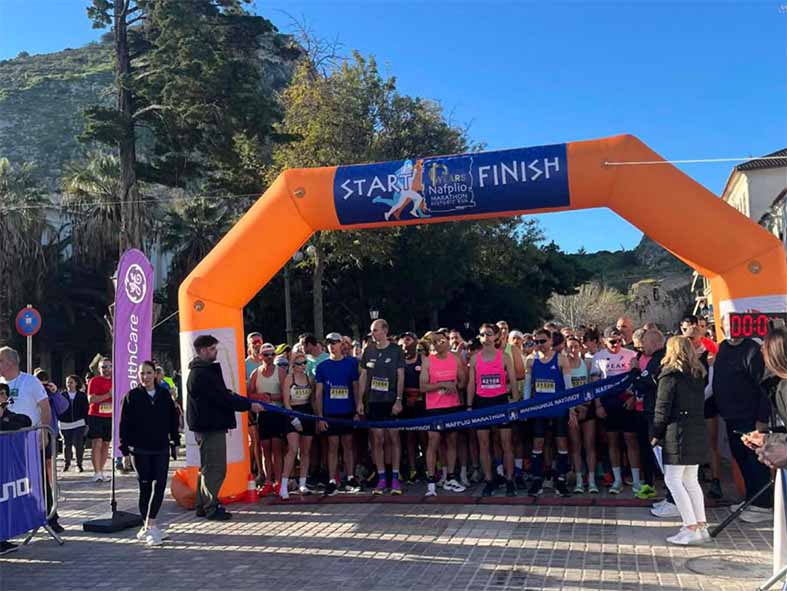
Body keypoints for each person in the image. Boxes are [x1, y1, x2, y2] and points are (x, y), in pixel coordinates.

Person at [186, 335, 264, 520]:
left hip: (208, 425)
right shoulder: (202, 374)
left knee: (207, 468)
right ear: (203, 350)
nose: (216, 352)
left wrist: (242, 400)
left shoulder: (202, 371)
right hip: (210, 426)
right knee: (216, 468)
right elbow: (221, 398)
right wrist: (248, 405)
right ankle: (211, 507)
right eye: (213, 349)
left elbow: (223, 394)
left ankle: (202, 504)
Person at [651, 336, 711, 546]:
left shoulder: (669, 376)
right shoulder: (698, 374)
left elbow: (662, 407)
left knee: (673, 480)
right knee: (691, 480)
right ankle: (701, 526)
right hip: (696, 429)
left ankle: (690, 526)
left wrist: (655, 432)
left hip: (677, 431)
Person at [713, 313, 772, 523]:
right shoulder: (722, 348)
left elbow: (763, 387)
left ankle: (763, 505)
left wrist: (761, 419)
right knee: (740, 458)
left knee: (755, 460)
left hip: (750, 416)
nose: (730, 328)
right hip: (730, 415)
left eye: (733, 324)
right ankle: (751, 499)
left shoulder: (752, 350)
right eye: (726, 325)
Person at [0, 347, 62, 533]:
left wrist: (44, 433)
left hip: (29, 439)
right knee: (11, 482)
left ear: (11, 362)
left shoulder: (30, 381)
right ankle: (17, 520)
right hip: (6, 443)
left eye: (0, 360)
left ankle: (50, 518)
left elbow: (45, 408)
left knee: (38, 478)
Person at [119, 361, 180, 546]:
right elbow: (124, 425)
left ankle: (150, 524)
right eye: (142, 373)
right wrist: (124, 451)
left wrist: (175, 441)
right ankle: (148, 527)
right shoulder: (132, 396)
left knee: (160, 485)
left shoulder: (164, 394)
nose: (145, 377)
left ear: (155, 374)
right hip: (140, 449)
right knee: (145, 487)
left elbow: (172, 419)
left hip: (161, 447)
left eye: (148, 373)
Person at [467, 323, 519, 497]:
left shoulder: (504, 357)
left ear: (496, 336)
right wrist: (469, 406)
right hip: (482, 403)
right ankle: (489, 480)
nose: (486, 338)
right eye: (482, 335)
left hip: (501, 402)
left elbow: (513, 381)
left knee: (506, 443)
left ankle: (510, 480)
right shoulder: (475, 359)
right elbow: (471, 384)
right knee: (483, 444)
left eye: (489, 334)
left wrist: (515, 402)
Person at [591, 327, 642, 495]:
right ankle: (617, 479)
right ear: (604, 341)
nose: (616, 344)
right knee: (613, 441)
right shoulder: (598, 357)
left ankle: (636, 480)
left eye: (620, 341)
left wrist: (633, 398)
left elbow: (636, 379)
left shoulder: (631, 354)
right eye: (613, 342)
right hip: (608, 402)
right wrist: (598, 405)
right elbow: (595, 384)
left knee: (630, 440)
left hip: (626, 400)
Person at [524, 328, 574, 497]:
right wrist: (526, 407)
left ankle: (560, 480)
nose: (540, 345)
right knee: (538, 443)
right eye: (536, 342)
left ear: (551, 341)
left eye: (543, 341)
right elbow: (528, 387)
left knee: (561, 442)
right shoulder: (531, 360)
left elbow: (569, 387)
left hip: (558, 408)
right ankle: (537, 480)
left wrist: (571, 409)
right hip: (539, 409)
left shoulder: (561, 359)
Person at [358, 319, 405, 495]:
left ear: (385, 330)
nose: (373, 334)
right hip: (373, 401)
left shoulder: (396, 350)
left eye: (376, 330)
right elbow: (363, 376)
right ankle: (381, 477)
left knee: (393, 438)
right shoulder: (368, 350)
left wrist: (398, 400)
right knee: (377, 440)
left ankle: (395, 477)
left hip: (390, 399)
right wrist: (360, 401)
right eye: (372, 330)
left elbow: (400, 376)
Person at [420, 330, 467, 496]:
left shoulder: (455, 359)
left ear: (447, 342)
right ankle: (431, 481)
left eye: (441, 340)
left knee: (452, 441)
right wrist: (442, 385)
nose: (438, 344)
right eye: (435, 341)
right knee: (433, 442)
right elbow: (423, 387)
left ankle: (451, 477)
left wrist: (455, 385)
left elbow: (463, 382)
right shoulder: (428, 361)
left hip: (452, 405)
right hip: (434, 407)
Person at [315, 332, 362, 496]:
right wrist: (320, 417)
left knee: (348, 444)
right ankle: (332, 480)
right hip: (330, 412)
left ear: (341, 344)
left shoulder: (351, 364)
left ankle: (350, 478)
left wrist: (357, 410)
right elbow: (318, 394)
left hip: (347, 410)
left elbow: (356, 387)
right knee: (332, 446)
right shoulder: (322, 367)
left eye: (334, 342)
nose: (332, 346)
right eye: (329, 343)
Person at [248, 343, 288, 497]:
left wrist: (270, 397)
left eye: (272, 354)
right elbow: (249, 393)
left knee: (277, 448)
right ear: (260, 357)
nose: (270, 357)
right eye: (266, 355)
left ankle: (278, 482)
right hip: (263, 415)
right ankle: (268, 482)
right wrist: (260, 397)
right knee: (265, 449)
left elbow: (285, 394)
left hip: (277, 413)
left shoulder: (280, 371)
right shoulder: (256, 373)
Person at [0, 382, 33, 555]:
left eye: (4, 394)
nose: (3, 397)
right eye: (0, 394)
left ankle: (2, 539)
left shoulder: (10, 414)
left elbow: (25, 420)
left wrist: (4, 418)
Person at [565, 335, 599, 494]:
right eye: (570, 347)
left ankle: (591, 480)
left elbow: (591, 387)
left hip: (587, 407)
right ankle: (579, 480)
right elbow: (565, 390)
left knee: (590, 444)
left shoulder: (587, 363)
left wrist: (585, 405)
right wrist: (575, 407)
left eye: (575, 346)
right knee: (575, 445)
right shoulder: (564, 365)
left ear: (580, 348)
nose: (573, 350)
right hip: (572, 409)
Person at [281, 351, 316, 498]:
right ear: (293, 365)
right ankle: (283, 485)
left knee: (306, 451)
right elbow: (286, 401)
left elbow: (312, 400)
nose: (302, 366)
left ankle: (303, 483)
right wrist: (294, 419)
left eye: (304, 363)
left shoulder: (309, 378)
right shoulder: (289, 378)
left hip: (307, 412)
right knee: (293, 449)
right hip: (293, 412)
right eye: (299, 364)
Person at [86, 357, 114, 481]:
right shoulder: (94, 381)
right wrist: (108, 394)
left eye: (109, 366)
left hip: (110, 416)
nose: (107, 369)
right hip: (96, 415)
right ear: (99, 369)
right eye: (104, 367)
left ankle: (101, 471)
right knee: (97, 442)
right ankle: (96, 472)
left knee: (106, 444)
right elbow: (91, 399)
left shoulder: (116, 380)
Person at [58, 375, 89, 473]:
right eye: (67, 382)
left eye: (71, 382)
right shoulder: (62, 395)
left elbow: (86, 409)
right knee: (66, 444)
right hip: (65, 423)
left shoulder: (82, 395)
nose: (69, 384)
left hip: (79, 423)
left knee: (78, 444)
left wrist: (86, 422)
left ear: (76, 383)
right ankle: (67, 463)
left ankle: (79, 464)